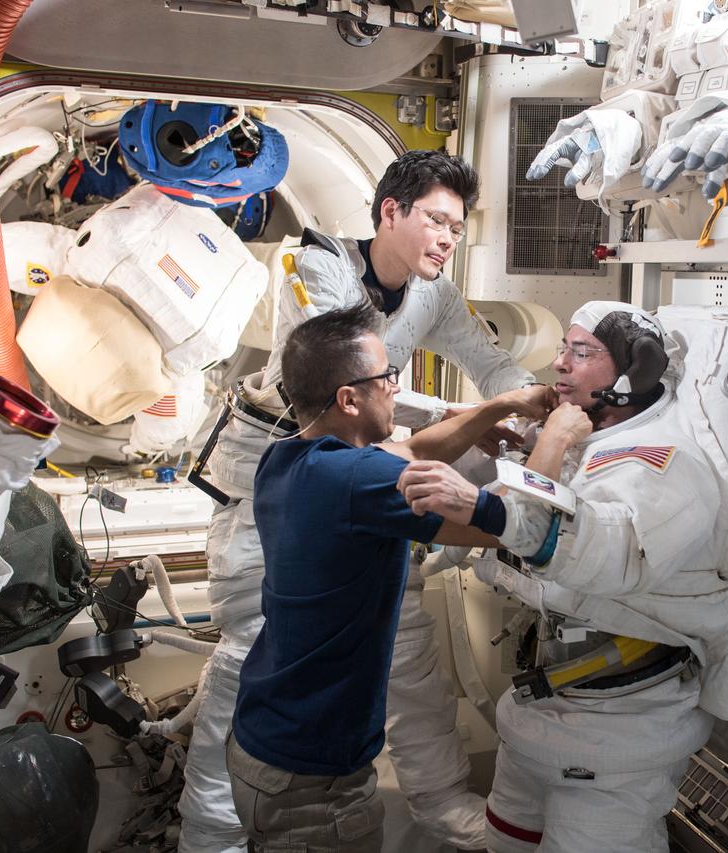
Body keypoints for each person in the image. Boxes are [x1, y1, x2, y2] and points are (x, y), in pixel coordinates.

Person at [181, 150, 534, 853]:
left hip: (359, 455)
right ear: (389, 213)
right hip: (278, 461)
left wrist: (534, 410)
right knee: (255, 645)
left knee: (396, 631)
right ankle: (209, 838)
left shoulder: (434, 294)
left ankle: (440, 804)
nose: (446, 238)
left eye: (457, 228)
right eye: (435, 219)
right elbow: (355, 391)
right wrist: (482, 417)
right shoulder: (323, 270)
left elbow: (491, 365)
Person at [397, 301, 728, 852]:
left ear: (632, 371)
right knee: (506, 844)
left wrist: (506, 486)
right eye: (562, 349)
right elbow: (507, 522)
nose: (560, 364)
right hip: (545, 704)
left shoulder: (665, 461)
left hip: (620, 724)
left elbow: (603, 547)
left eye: (582, 352)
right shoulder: (586, 443)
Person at [227, 304, 553, 853]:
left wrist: (496, 408)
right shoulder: (359, 482)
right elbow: (521, 525)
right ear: (349, 399)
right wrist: (560, 435)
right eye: (386, 378)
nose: (395, 388)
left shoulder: (287, 458)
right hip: (311, 783)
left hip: (264, 746)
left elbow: (413, 450)